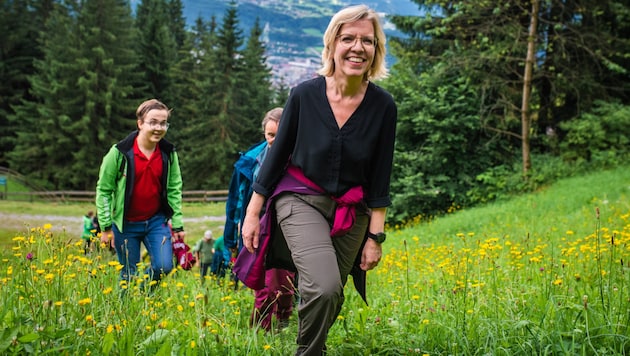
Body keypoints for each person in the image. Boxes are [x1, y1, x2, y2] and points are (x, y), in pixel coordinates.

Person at [241, 5, 397, 354]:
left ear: (376, 50)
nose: (358, 47)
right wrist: (253, 213)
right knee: (324, 287)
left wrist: (375, 236)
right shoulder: (304, 95)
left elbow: (380, 175)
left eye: (367, 41)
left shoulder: (383, 106)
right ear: (332, 45)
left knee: (332, 294)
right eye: (348, 38)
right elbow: (275, 159)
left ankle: (313, 346)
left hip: (351, 210)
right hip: (300, 198)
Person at [95, 98, 185, 294]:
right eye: (153, 122)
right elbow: (104, 190)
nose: (158, 128)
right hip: (125, 224)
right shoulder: (119, 152)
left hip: (156, 222)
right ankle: (124, 313)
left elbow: (174, 188)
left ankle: (144, 295)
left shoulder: (168, 153)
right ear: (140, 123)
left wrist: (177, 223)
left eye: (163, 123)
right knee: (128, 273)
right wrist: (105, 227)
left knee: (164, 267)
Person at [225, 107, 295, 332]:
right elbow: (234, 203)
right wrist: (230, 240)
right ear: (264, 133)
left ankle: (283, 325)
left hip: (289, 227)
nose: (275, 141)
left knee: (285, 286)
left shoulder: (302, 158)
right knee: (264, 287)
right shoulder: (250, 162)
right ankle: (259, 332)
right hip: (259, 227)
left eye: (280, 134)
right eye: (270, 135)